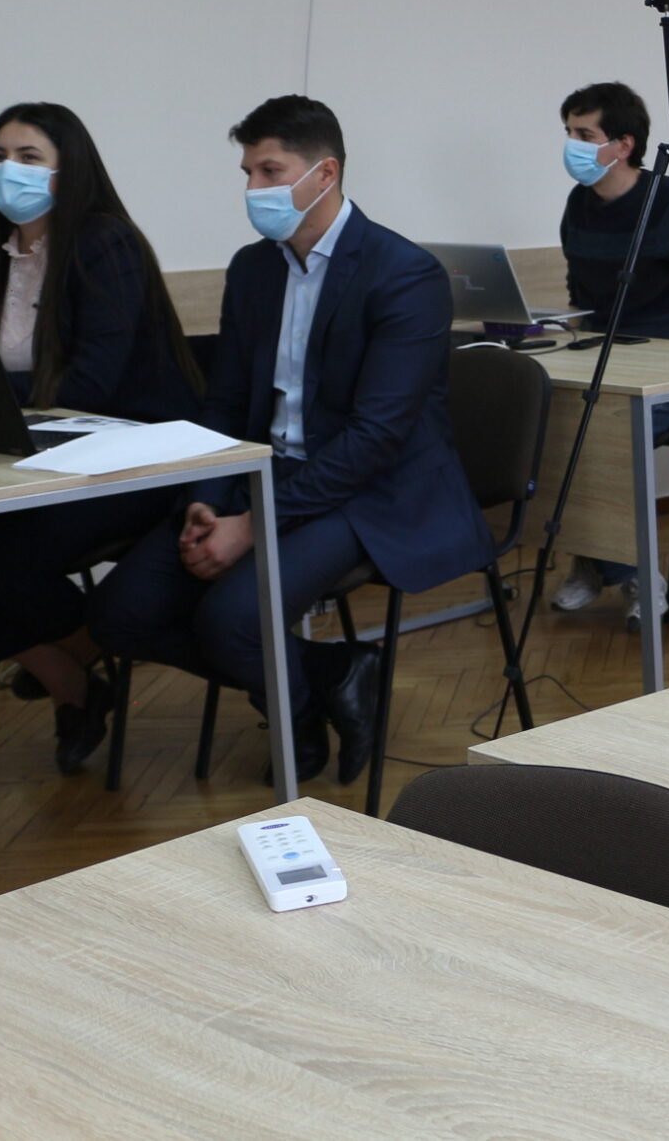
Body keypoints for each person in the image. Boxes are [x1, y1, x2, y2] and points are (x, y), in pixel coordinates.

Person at [92, 97, 490, 785]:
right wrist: (208, 498)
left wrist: (251, 526)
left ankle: (295, 712)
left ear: (324, 173)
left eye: (270, 171)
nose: (254, 188)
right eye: (247, 172)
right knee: (119, 614)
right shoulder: (254, 269)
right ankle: (328, 676)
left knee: (231, 621)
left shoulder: (404, 273)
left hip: (371, 491)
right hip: (266, 474)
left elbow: (374, 439)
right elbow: (224, 404)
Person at [0, 103, 200, 773]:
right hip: (41, 458)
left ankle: (76, 662)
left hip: (135, 461)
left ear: (68, 167)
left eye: (29, 157)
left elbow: (89, 386)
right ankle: (73, 678)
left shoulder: (104, 242)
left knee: (0, 560)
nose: (9, 170)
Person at [552, 81, 669, 623]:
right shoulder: (579, 204)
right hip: (605, 354)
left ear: (624, 144)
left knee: (602, 438)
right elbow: (582, 296)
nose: (572, 145)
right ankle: (604, 562)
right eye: (568, 132)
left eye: (584, 134)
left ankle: (628, 572)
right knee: (552, 425)